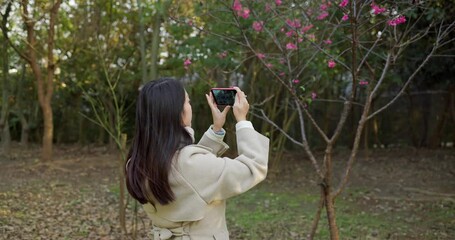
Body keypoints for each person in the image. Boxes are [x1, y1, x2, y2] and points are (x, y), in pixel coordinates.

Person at [125, 77, 269, 240]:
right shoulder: (189, 166)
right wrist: (242, 121)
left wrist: (216, 129)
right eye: (188, 102)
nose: (189, 106)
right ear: (178, 112)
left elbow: (188, 176)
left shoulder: (136, 163)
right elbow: (254, 167)